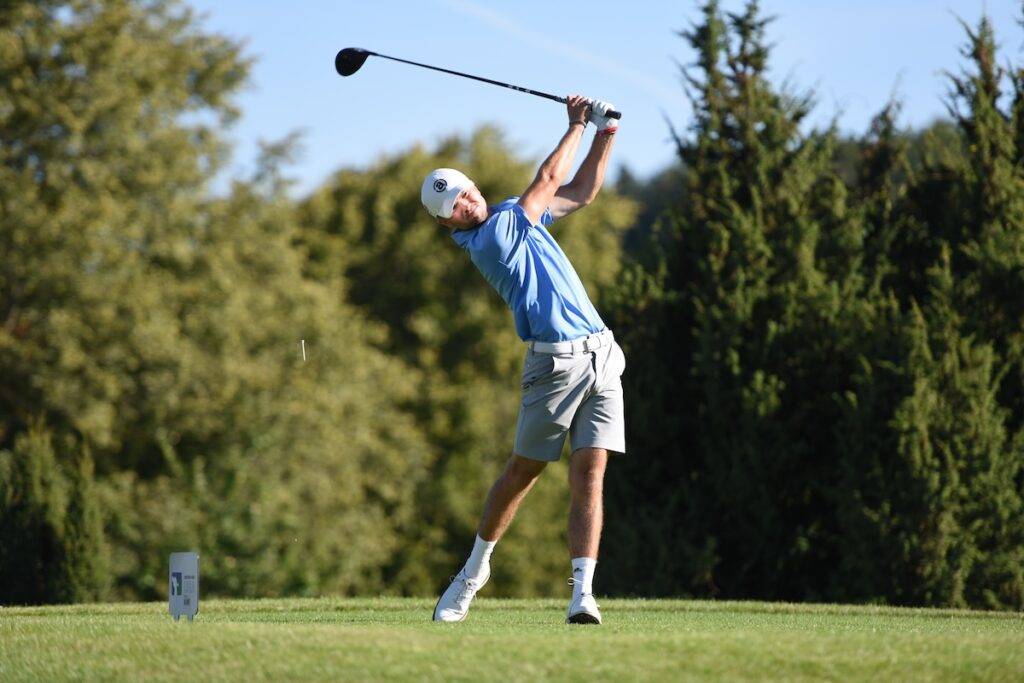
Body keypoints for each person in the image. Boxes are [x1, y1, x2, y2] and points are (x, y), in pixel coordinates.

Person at [421, 95, 625, 625]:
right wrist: (578, 123)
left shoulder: (514, 213)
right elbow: (550, 176)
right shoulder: (489, 238)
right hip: (554, 365)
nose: (467, 204)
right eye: (456, 208)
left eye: (467, 193)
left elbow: (579, 193)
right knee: (522, 473)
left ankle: (583, 593)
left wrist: (605, 135)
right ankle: (473, 572)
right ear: (449, 226)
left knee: (591, 471)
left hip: (601, 354)